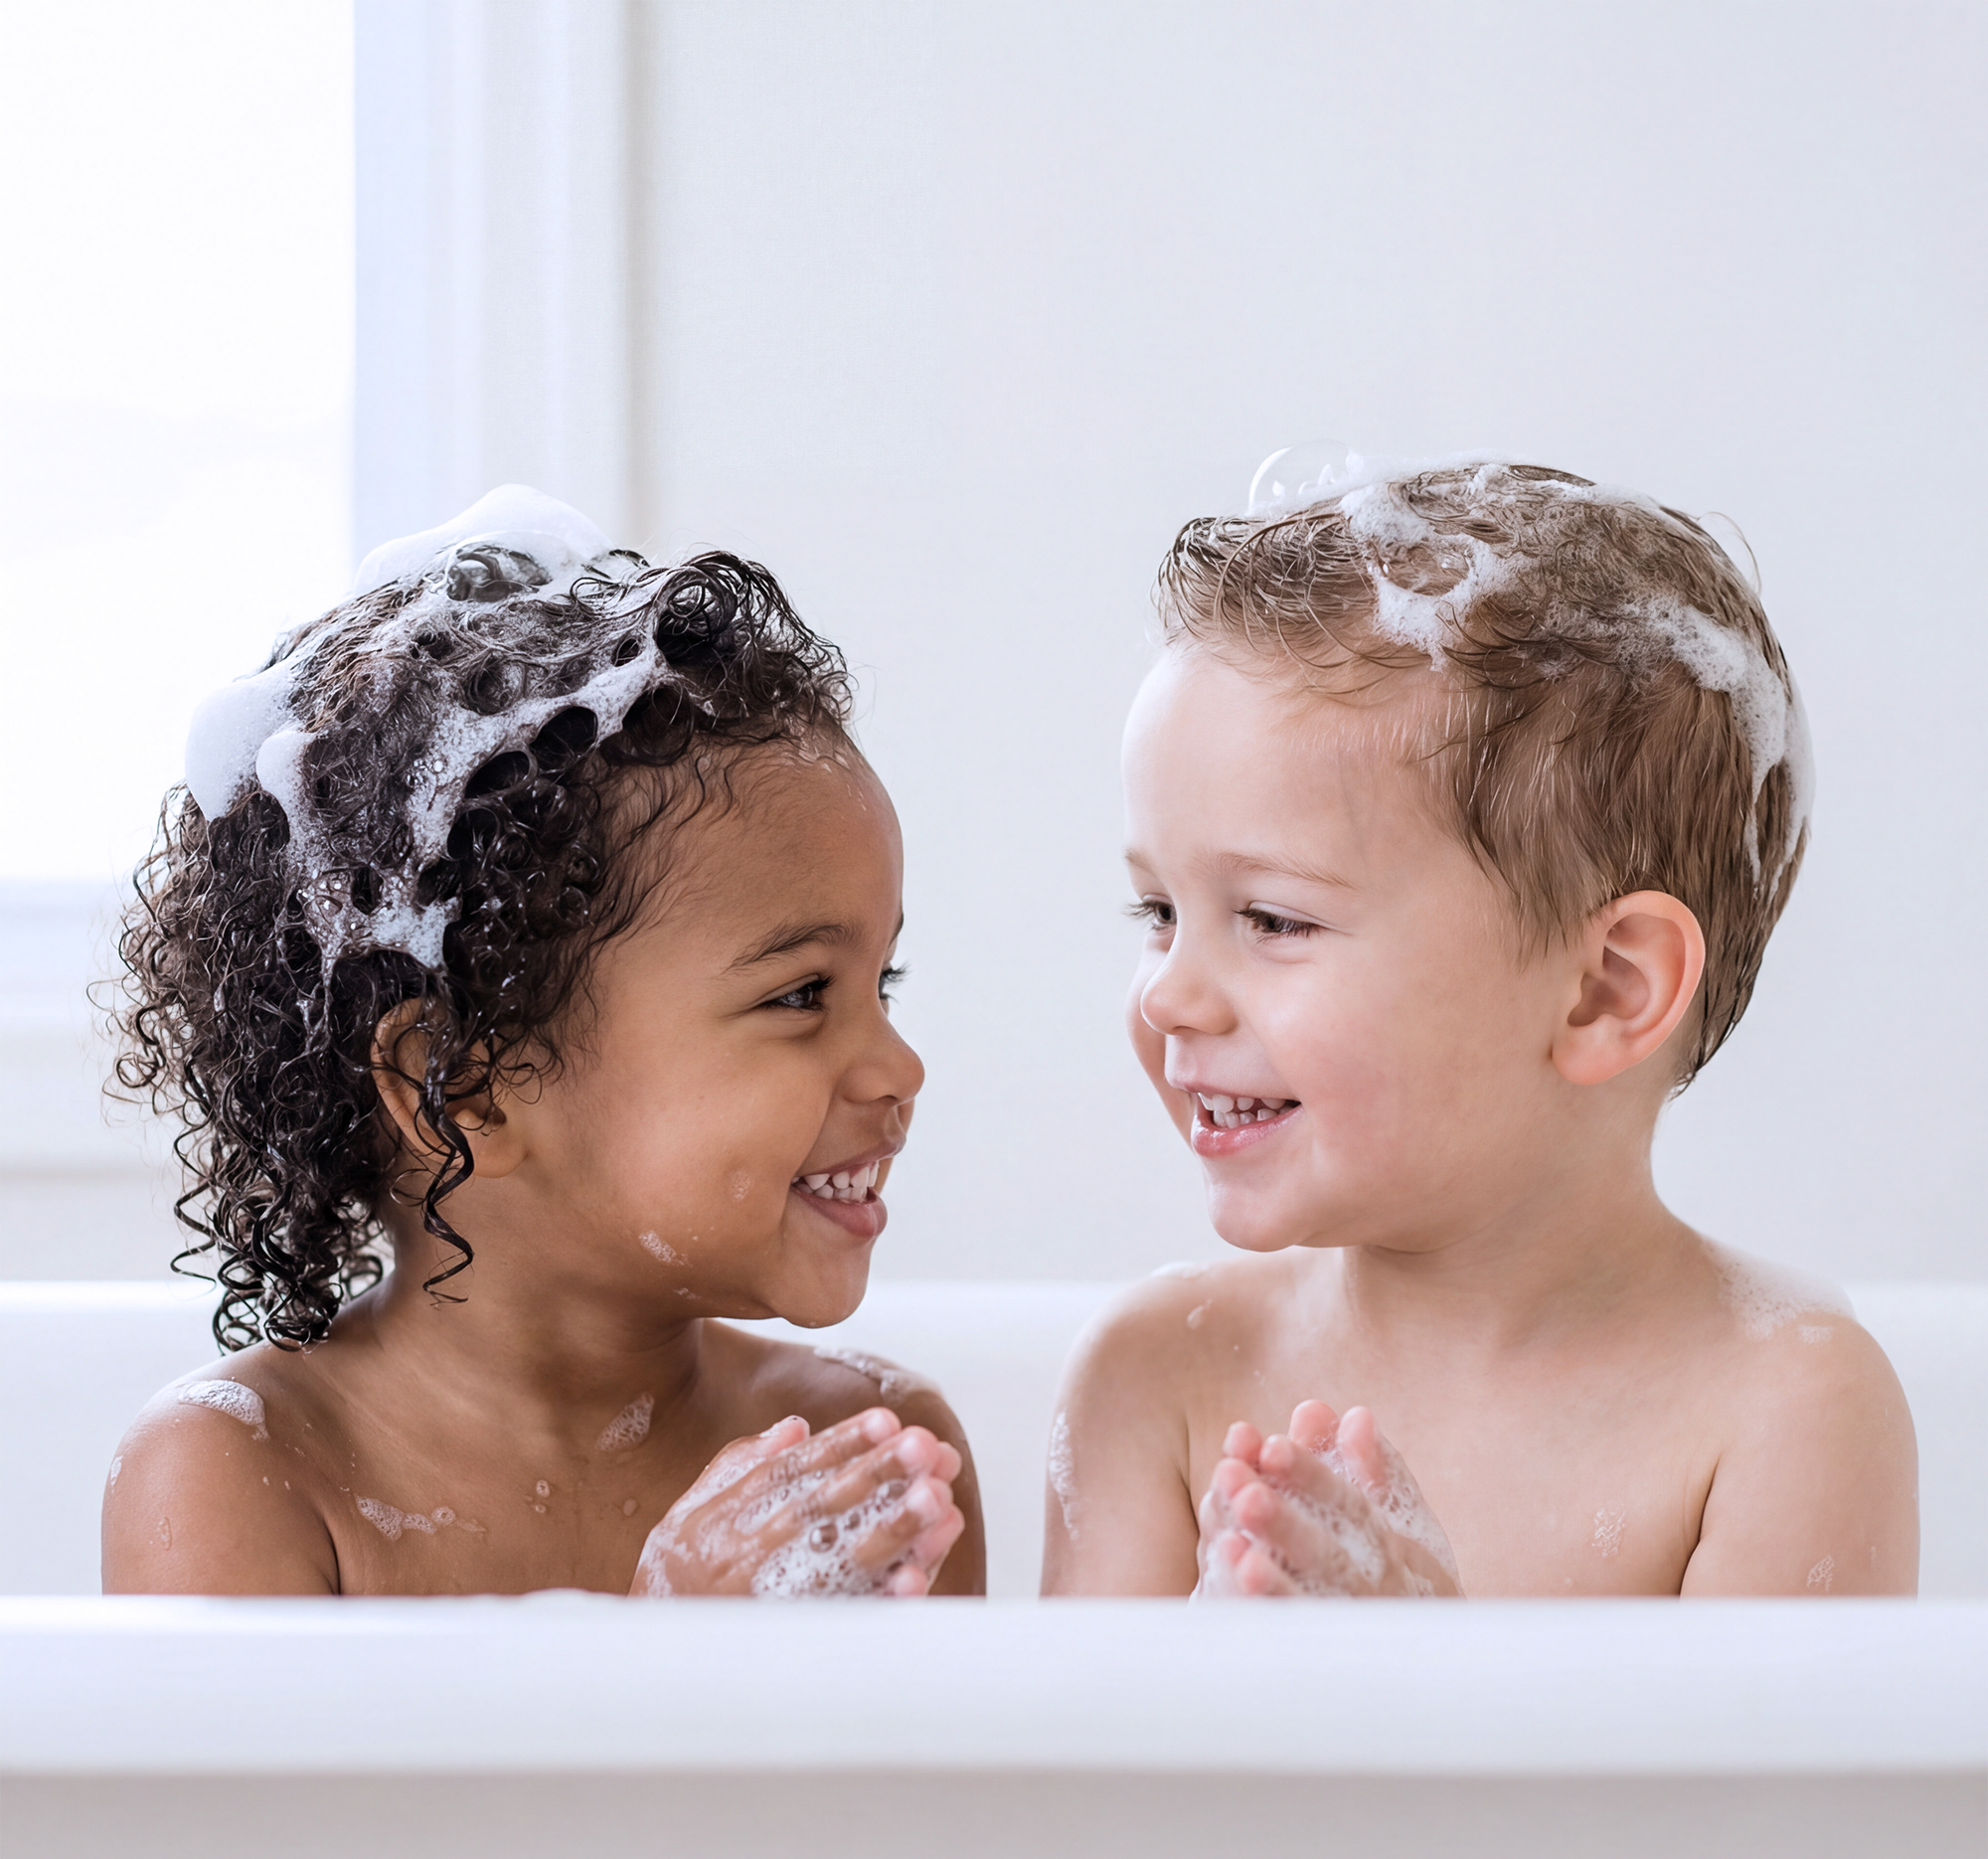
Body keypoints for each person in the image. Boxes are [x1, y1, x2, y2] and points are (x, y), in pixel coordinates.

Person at [1044, 453, 1915, 1600]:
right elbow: (1076, 1778)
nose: (1167, 995)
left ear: (1604, 988)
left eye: (1270, 918)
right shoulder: (1154, 1378)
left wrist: (1441, 1686)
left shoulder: (1779, 1405)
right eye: (1158, 911)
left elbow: (1753, 1785)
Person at [104, 487, 980, 1599]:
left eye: (881, 981)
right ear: (461, 1083)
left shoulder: (868, 1451)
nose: (897, 1068)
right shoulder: (245, 1472)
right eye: (802, 993)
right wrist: (658, 1656)